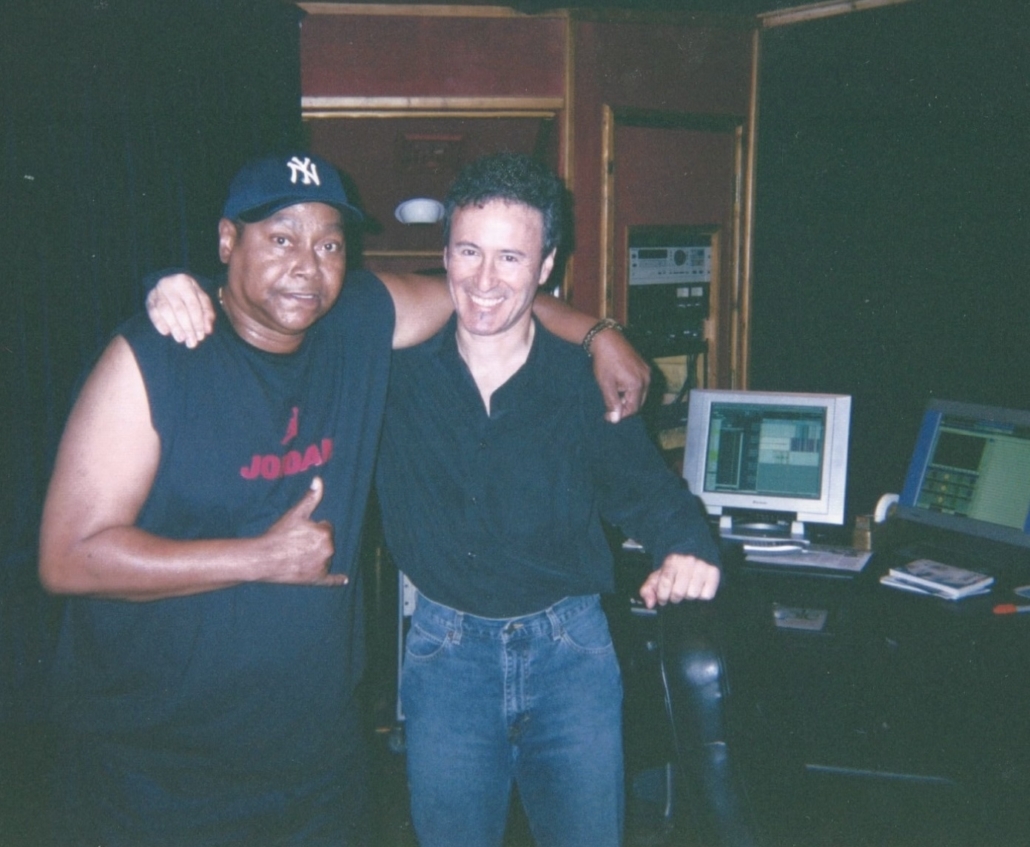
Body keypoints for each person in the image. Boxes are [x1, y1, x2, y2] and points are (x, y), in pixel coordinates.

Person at [39, 151, 649, 847]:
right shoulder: (155, 358)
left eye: (329, 244)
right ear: (227, 241)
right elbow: (68, 557)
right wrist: (258, 558)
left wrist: (600, 334)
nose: (307, 264)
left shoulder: (359, 318)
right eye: (281, 238)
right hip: (157, 764)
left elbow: (488, 292)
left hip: (314, 761)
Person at [375, 152, 721, 847]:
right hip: (446, 660)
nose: (484, 280)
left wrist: (688, 548)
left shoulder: (580, 380)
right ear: (444, 255)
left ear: (545, 266)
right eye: (469, 251)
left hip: (571, 660)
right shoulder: (392, 371)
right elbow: (286, 299)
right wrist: (178, 291)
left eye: (511, 257)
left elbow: (650, 493)